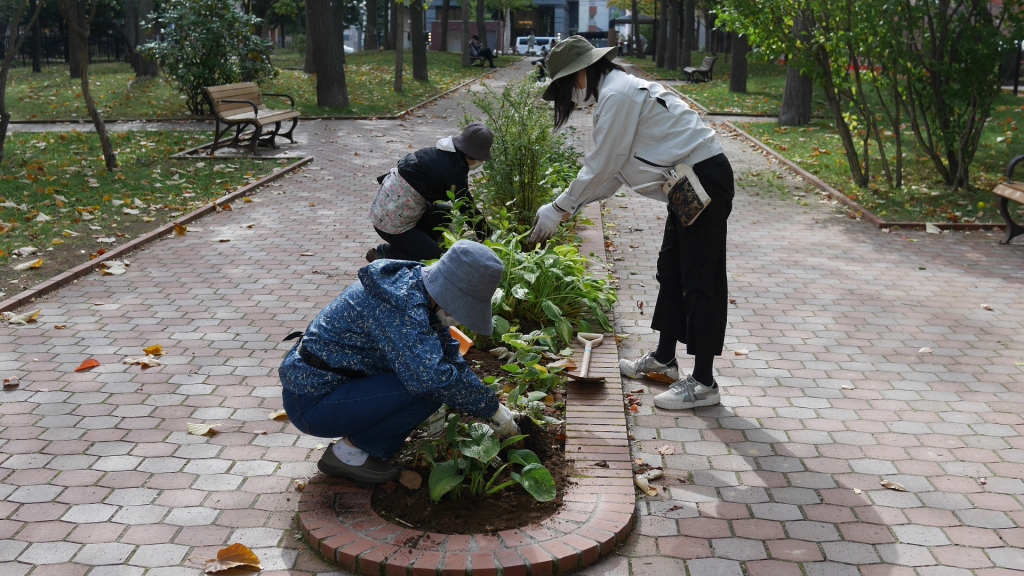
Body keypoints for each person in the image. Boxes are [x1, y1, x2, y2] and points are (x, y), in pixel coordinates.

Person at [527, 35, 734, 411]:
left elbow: (603, 163)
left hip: (702, 179)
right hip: (683, 183)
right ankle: (664, 360)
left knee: (701, 279)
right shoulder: (613, 93)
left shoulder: (617, 95)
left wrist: (559, 207)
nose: (569, 99)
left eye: (562, 89)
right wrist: (566, 208)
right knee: (670, 271)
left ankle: (704, 382)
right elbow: (615, 175)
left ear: (578, 75)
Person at [279, 241, 520, 484]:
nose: (460, 316)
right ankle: (348, 455)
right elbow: (432, 379)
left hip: (332, 387)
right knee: (427, 388)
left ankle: (359, 447)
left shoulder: (417, 290)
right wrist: (492, 410)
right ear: (447, 292)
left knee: (434, 380)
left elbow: (450, 360)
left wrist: (495, 407)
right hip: (312, 401)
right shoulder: (401, 306)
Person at [367, 123, 493, 263]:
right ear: (474, 155)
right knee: (435, 257)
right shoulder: (454, 170)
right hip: (391, 224)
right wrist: (487, 234)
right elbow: (466, 205)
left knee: (444, 212)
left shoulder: (445, 153)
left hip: (384, 210)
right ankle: (385, 254)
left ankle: (417, 245)